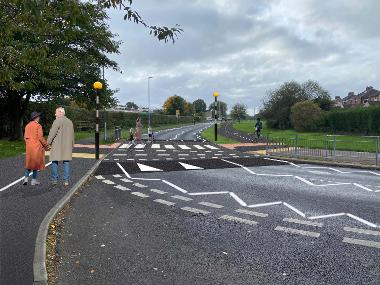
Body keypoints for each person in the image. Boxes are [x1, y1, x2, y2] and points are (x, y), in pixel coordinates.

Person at [47, 107, 74, 187]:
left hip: (57, 145)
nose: (55, 114)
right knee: (66, 163)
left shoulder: (57, 121)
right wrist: (72, 144)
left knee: (54, 161)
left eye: (56, 112)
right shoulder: (69, 121)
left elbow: (52, 133)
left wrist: (47, 143)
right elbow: (72, 134)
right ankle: (66, 180)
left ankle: (55, 180)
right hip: (67, 146)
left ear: (60, 112)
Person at [23, 112, 50, 186]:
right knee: (35, 164)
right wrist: (46, 145)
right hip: (36, 147)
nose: (39, 118)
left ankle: (26, 178)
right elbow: (40, 137)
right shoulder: (38, 126)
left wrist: (28, 144)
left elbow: (25, 137)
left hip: (29, 147)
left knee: (29, 163)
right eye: (39, 117)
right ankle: (33, 181)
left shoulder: (27, 126)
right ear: (36, 117)